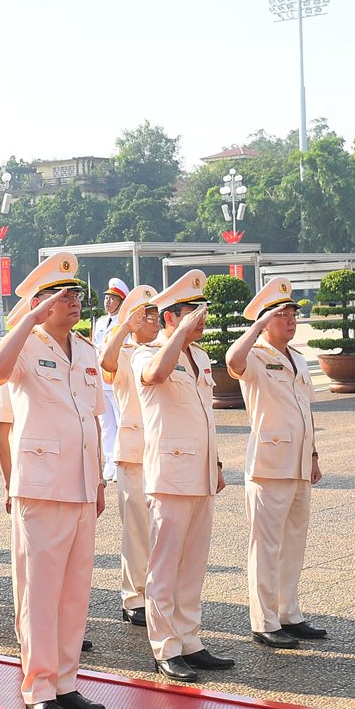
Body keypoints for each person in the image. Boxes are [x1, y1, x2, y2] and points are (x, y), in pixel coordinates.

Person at [0, 250, 107, 709]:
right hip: (40, 485)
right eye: (61, 295)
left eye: (75, 293)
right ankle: (38, 686)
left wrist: (96, 483)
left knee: (75, 590)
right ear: (40, 303)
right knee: (39, 591)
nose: (73, 301)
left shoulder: (86, 349)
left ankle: (66, 681)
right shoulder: (26, 347)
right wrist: (30, 319)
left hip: (78, 484)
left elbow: (92, 420)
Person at [135, 270, 234, 682]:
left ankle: (189, 639)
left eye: (201, 311)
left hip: (199, 471)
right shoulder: (146, 352)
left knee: (193, 562)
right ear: (170, 317)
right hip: (169, 473)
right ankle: (165, 647)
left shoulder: (202, 357)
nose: (201, 319)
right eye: (192, 312)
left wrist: (216, 464)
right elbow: (156, 375)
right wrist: (177, 334)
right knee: (165, 563)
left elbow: (205, 417)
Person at [226, 277, 326, 650]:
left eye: (292, 314)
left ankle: (289, 613)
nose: (290, 320)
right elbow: (232, 361)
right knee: (265, 546)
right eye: (281, 314)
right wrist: (256, 326)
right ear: (265, 321)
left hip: (299, 462)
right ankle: (264, 620)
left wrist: (314, 454)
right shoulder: (255, 356)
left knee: (293, 543)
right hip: (269, 464)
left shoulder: (297, 358)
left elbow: (307, 410)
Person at [97, 284, 158, 630]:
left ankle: (156, 593)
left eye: (153, 315)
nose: (153, 321)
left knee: (160, 531)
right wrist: (124, 327)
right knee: (136, 531)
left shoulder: (162, 350)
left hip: (162, 451)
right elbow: (106, 362)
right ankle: (133, 598)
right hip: (133, 452)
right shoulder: (121, 352)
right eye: (145, 316)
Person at [90, 277, 128, 479]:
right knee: (106, 425)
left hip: (116, 378)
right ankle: (110, 462)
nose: (107, 301)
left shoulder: (124, 324)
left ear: (121, 301)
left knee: (122, 421)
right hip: (100, 380)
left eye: (112, 298)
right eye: (106, 297)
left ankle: (121, 461)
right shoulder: (101, 322)